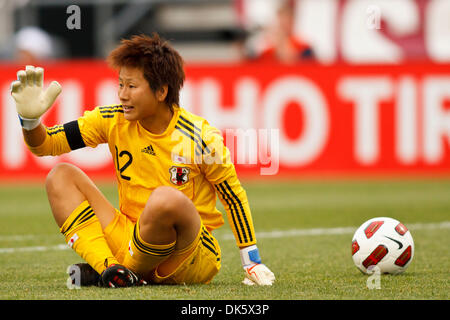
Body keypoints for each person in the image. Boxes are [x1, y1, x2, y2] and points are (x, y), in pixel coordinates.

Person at [10, 33, 275, 288]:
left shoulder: (201, 138)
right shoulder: (111, 119)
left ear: (161, 92)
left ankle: (122, 270)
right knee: (60, 176)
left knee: (165, 200)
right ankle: (110, 270)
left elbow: (232, 195)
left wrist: (251, 261)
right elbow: (45, 145)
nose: (122, 95)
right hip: (130, 236)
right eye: (120, 85)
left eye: (132, 86)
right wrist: (31, 122)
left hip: (188, 254)